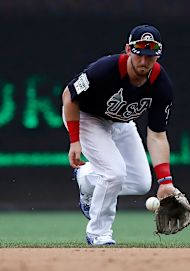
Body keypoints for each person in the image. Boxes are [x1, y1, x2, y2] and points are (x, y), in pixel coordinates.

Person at [62, 24, 177, 245]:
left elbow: (157, 135)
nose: (144, 61)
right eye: (139, 54)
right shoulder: (105, 69)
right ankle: (98, 233)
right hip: (87, 117)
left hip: (121, 122)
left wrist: (166, 181)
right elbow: (69, 95)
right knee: (114, 173)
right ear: (128, 49)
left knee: (141, 182)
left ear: (158, 55)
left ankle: (86, 179)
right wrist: (74, 139)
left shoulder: (161, 85)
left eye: (150, 56)